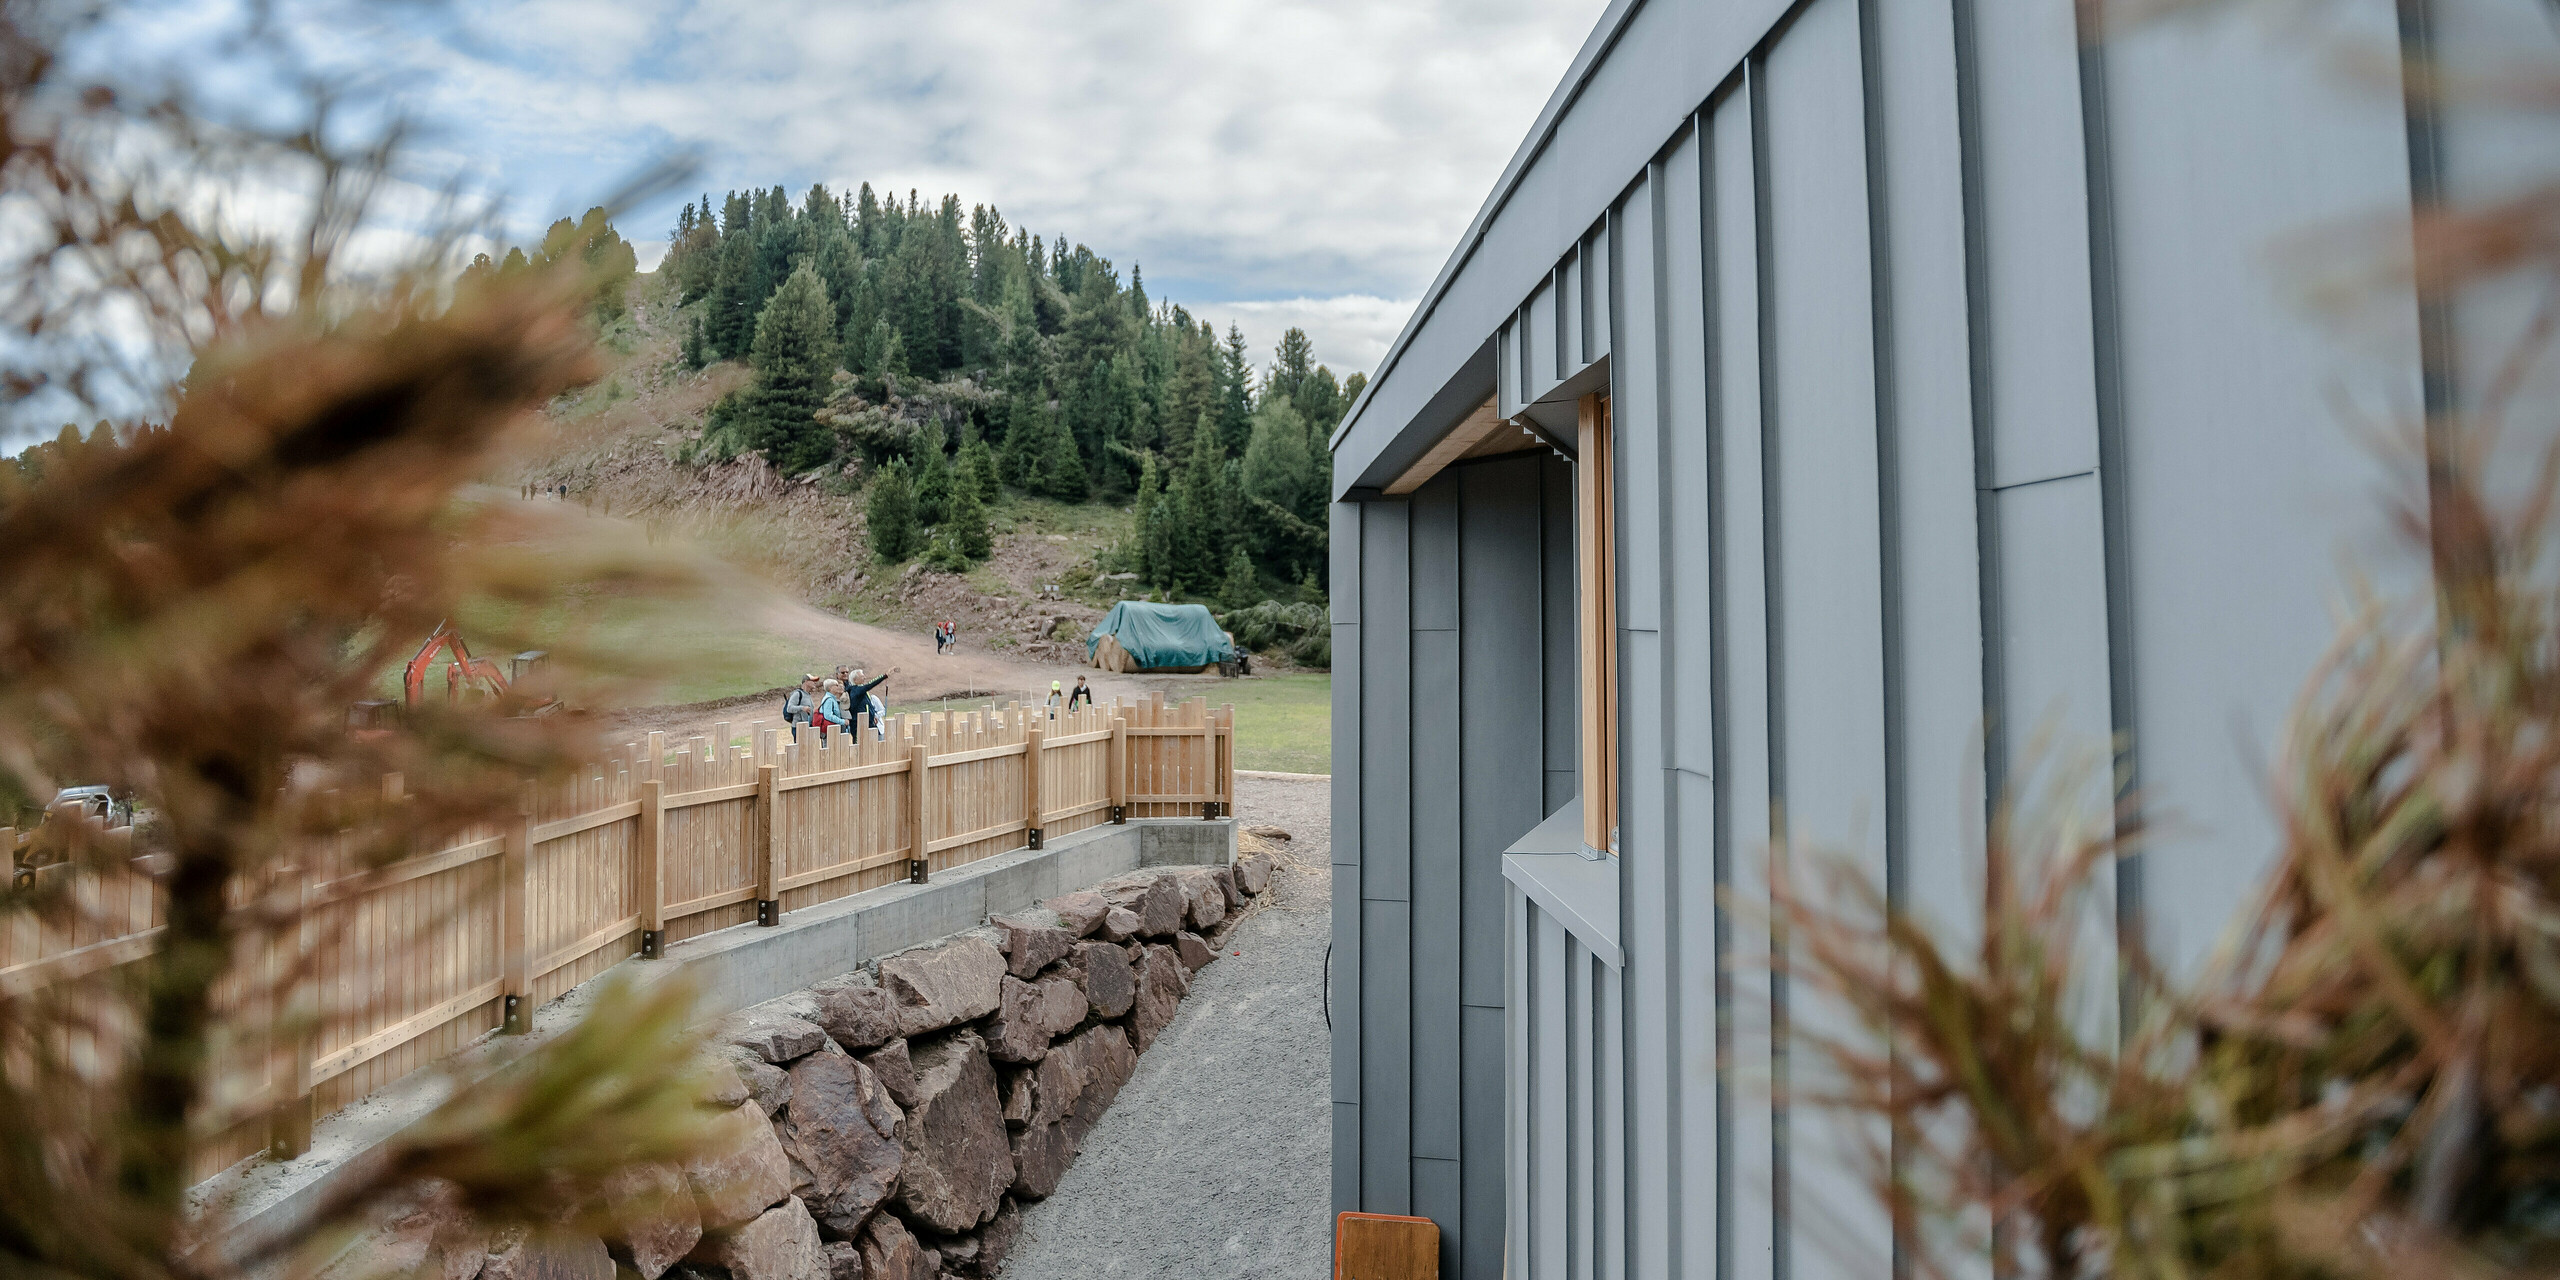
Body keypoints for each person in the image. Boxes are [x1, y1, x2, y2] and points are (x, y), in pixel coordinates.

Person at [782, 675, 816, 742]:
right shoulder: (797, 694)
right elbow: (789, 708)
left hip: (807, 726)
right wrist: (802, 708)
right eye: (813, 681)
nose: (815, 683)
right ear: (806, 682)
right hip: (798, 728)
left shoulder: (808, 694)